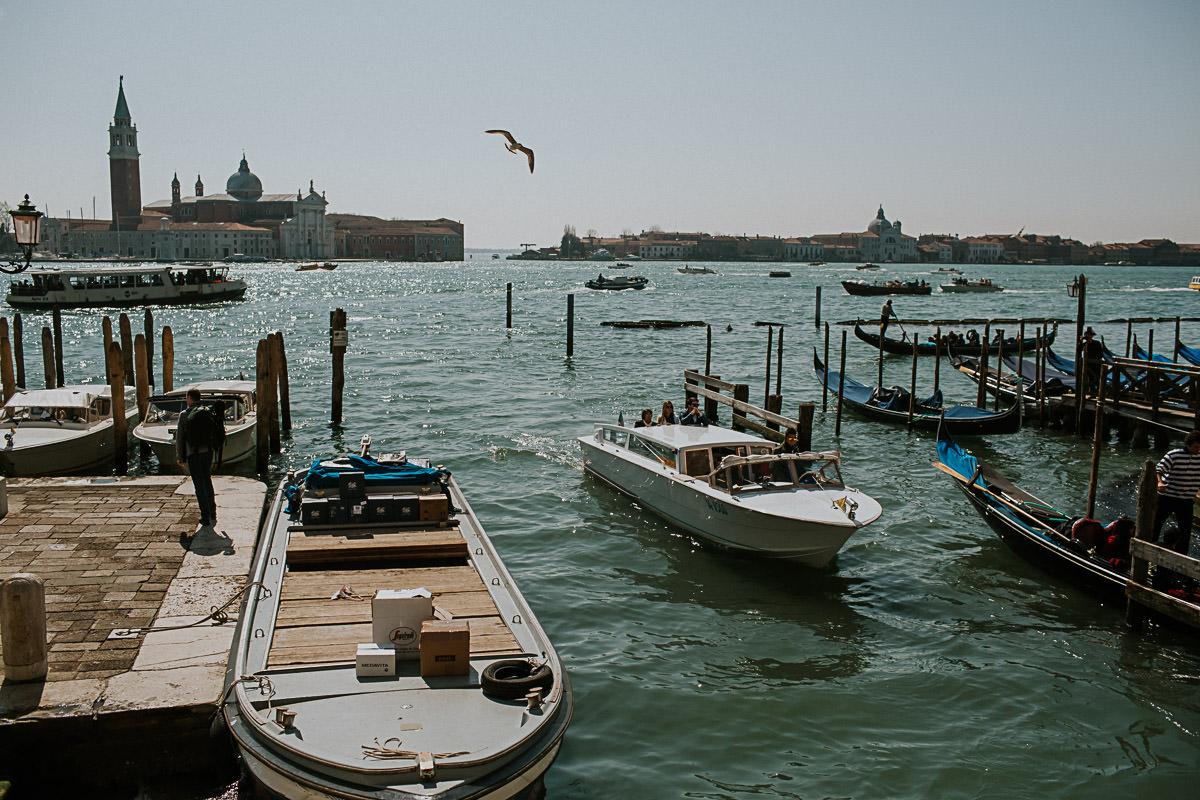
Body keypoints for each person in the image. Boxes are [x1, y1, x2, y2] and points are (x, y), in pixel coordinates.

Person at [176, 389, 225, 528]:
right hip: (208, 452)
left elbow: (179, 439)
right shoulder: (208, 411)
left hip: (193, 454)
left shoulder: (184, 415)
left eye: (187, 398)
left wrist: (180, 456)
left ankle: (205, 516)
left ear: (189, 398)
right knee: (207, 480)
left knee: (199, 485)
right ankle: (213, 511)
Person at [1153, 431, 1200, 555]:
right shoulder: (1174, 455)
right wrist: (1159, 483)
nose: (1198, 450)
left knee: (1185, 533)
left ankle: (1180, 561)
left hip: (1186, 500)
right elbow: (1158, 470)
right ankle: (1149, 552)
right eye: (1196, 447)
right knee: (1155, 526)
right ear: (1188, 445)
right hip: (1167, 497)